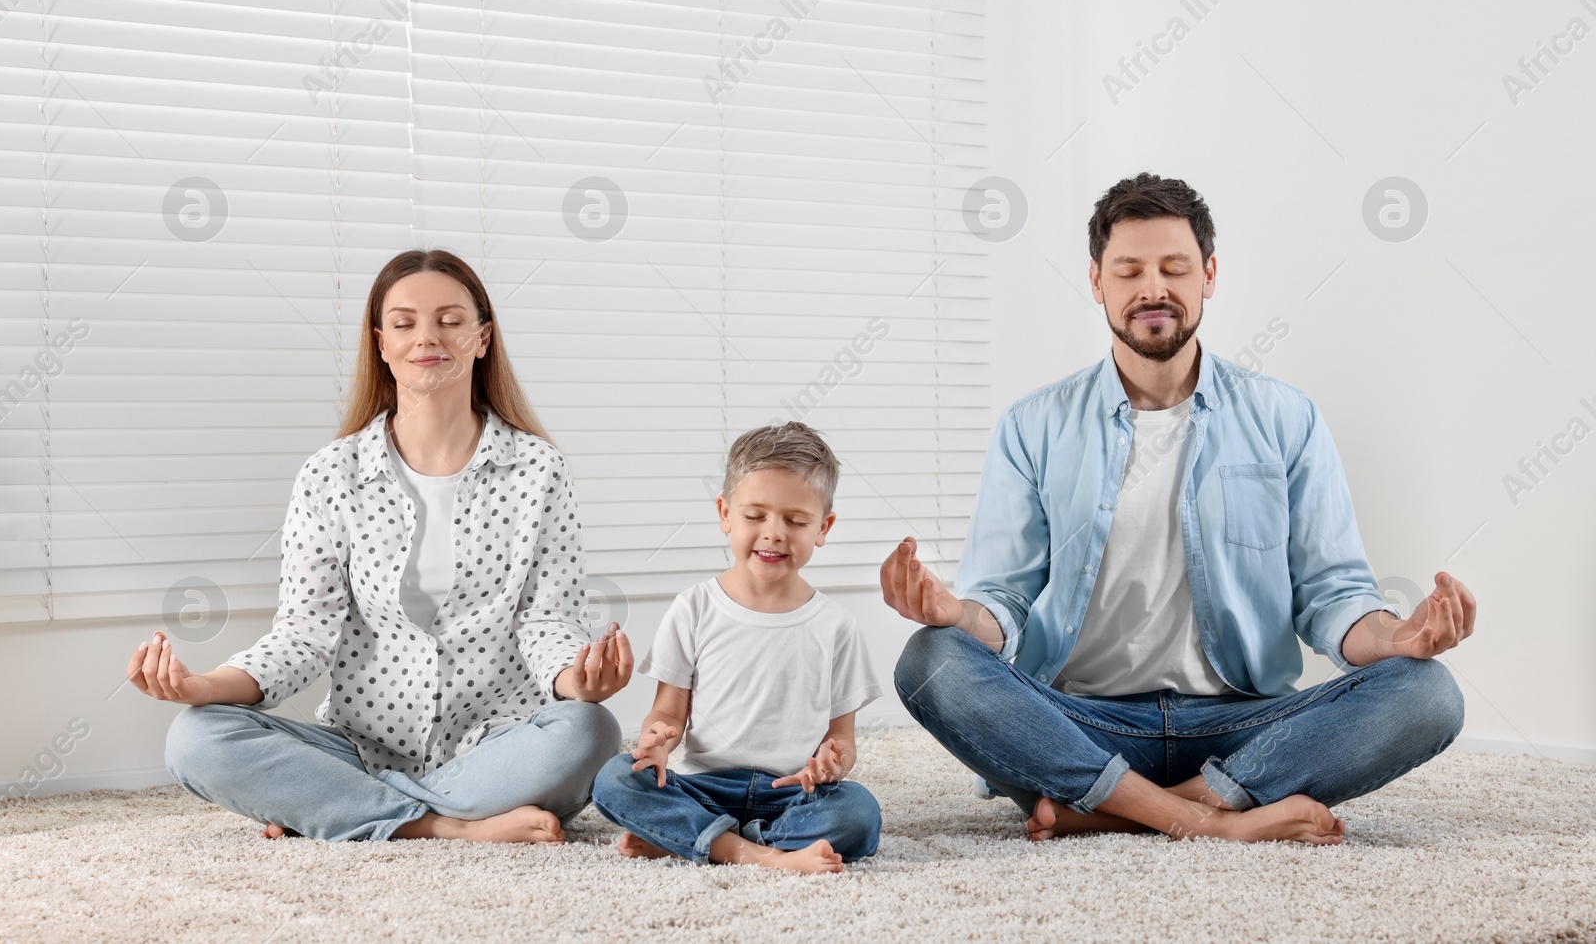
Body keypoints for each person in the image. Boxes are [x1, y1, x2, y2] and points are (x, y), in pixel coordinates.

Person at [885, 172, 1475, 846]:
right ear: (1097, 281)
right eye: (1129, 269)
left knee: (1430, 692)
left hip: (1244, 727)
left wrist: (1401, 638)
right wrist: (952, 614)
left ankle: (1129, 807)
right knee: (931, 657)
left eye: (1174, 267)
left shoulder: (1286, 417)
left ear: (1209, 275)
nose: (1153, 289)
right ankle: (1204, 817)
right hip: (1083, 722)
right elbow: (1002, 602)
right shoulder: (1033, 425)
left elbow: (1333, 597)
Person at [130, 248, 629, 843]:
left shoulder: (539, 470)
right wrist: (201, 687)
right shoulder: (330, 474)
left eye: (449, 320)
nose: (428, 337)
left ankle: (343, 810)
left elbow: (547, 622)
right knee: (196, 737)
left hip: (497, 744)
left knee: (591, 731)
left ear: (482, 338)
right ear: (381, 343)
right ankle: (447, 827)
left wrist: (579, 682)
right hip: (361, 748)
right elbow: (304, 634)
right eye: (405, 322)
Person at [592, 423, 883, 874]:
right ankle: (764, 854)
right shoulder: (694, 608)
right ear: (725, 513)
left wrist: (834, 762)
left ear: (823, 527)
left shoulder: (837, 627)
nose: (774, 533)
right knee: (614, 780)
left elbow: (840, 738)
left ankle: (698, 840)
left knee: (858, 813)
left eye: (796, 520)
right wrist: (658, 740)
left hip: (791, 792)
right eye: (755, 516)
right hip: (702, 787)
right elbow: (668, 713)